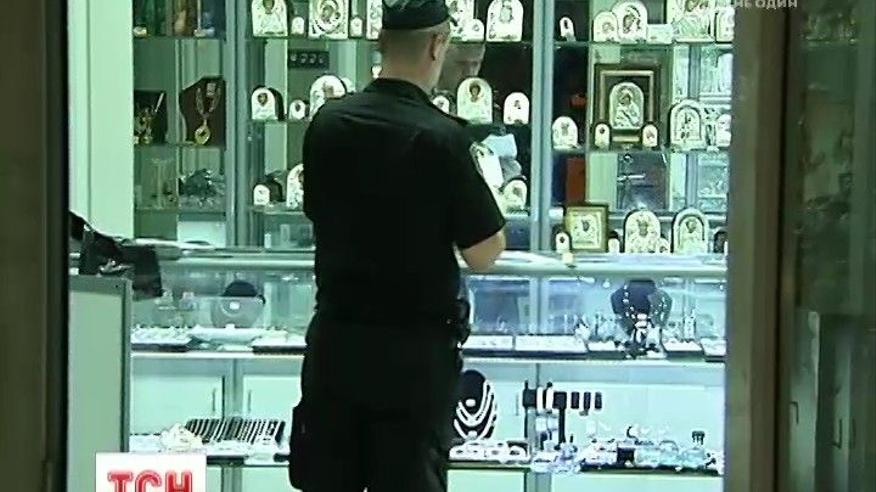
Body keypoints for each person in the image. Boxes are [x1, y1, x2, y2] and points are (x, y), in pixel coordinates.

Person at [290, 1, 507, 491]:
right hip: (412, 364)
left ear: (381, 42)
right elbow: (485, 252)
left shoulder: (328, 124)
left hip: (336, 350)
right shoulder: (442, 138)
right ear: (436, 45)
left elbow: (316, 212)